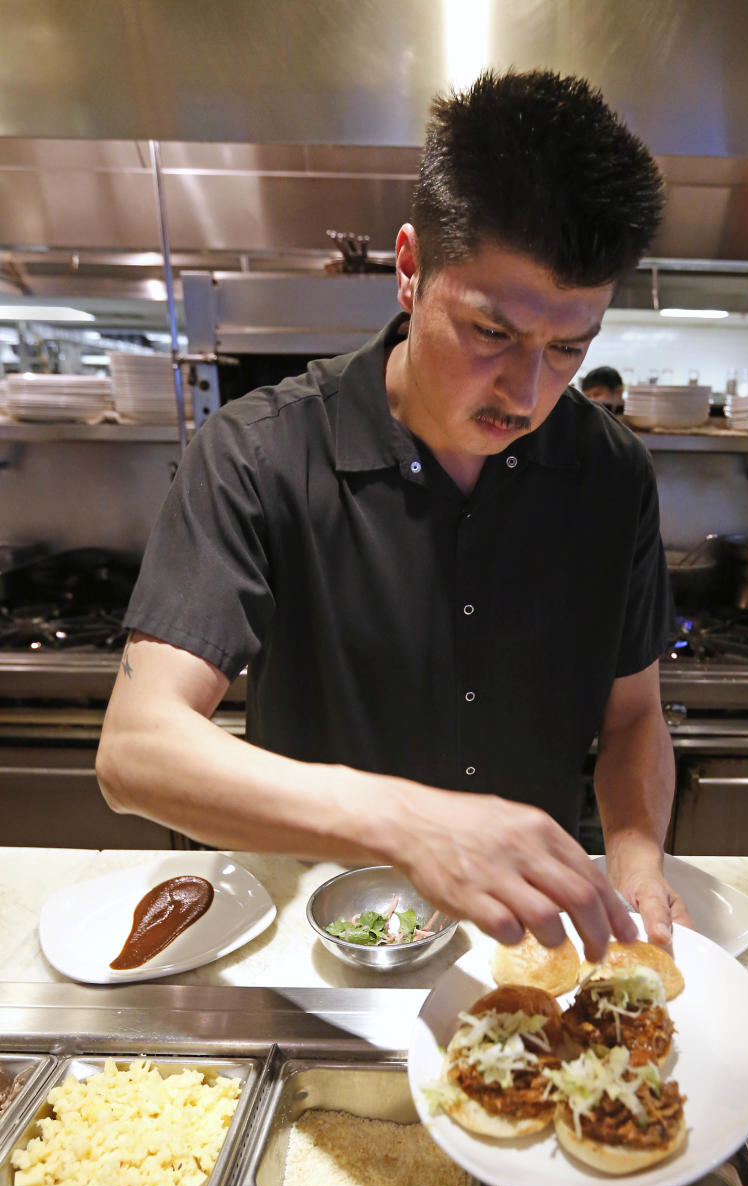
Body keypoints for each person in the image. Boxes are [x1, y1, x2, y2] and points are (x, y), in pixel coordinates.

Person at [96, 69, 692, 962]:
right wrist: (409, 823)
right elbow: (137, 750)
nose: (527, 393)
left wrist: (637, 856)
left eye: (569, 347)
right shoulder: (259, 453)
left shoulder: (609, 475)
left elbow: (635, 717)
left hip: (522, 951)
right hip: (313, 948)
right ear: (409, 269)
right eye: (492, 332)